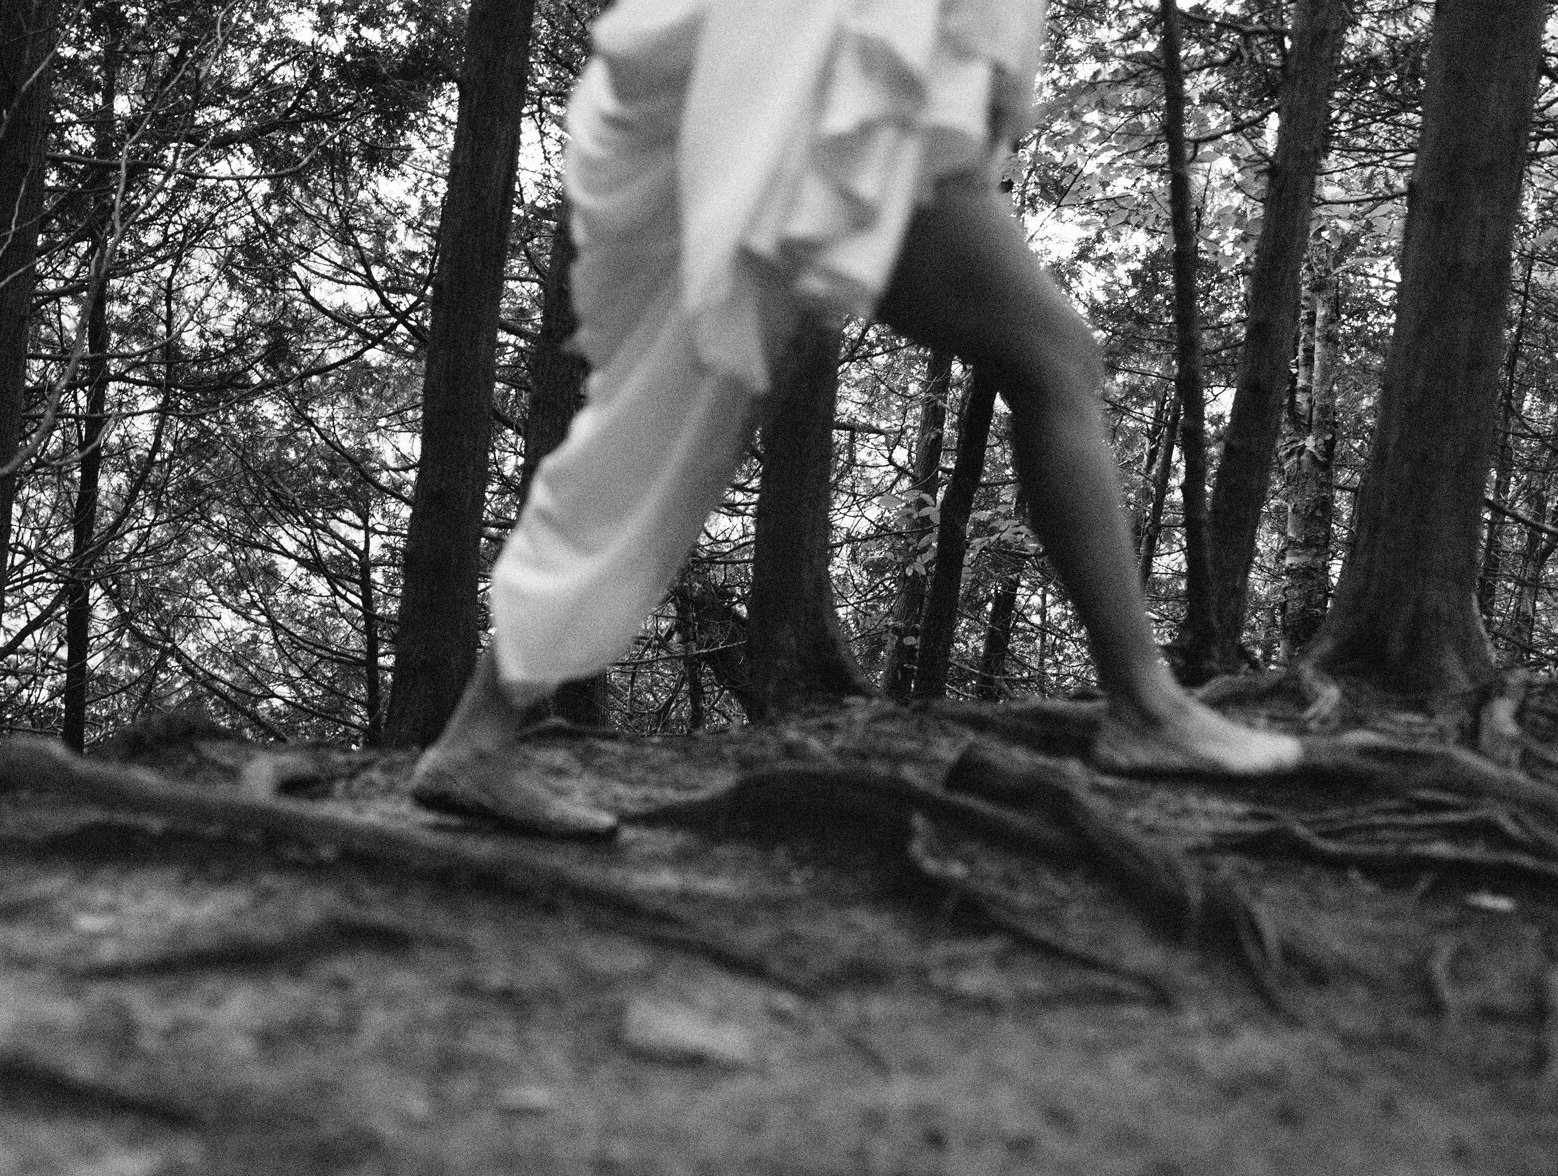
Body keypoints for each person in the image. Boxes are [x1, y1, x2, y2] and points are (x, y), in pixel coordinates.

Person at [412, 0, 1302, 838]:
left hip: (805, 79)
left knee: (672, 408)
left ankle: (479, 732)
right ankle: (1146, 706)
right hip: (816, 78)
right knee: (1042, 357)